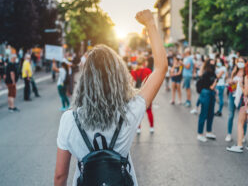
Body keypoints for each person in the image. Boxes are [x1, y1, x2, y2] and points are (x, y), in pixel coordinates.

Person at [54, 10, 168, 186]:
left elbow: (60, 176)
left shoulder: (69, 120)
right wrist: (150, 23)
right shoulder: (130, 111)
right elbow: (160, 68)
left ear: (85, 80)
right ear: (119, 77)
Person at [227, 60, 248, 153]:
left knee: (240, 123)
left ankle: (239, 145)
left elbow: (246, 93)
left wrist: (241, 85)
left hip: (247, 103)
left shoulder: (247, 77)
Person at [225, 57, 247, 142]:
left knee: (242, 117)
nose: (240, 63)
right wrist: (230, 82)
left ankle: (243, 135)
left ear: (245, 63)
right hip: (232, 94)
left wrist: (239, 83)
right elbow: (229, 81)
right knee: (231, 115)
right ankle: (229, 134)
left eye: (242, 62)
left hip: (241, 96)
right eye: (238, 62)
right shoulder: (234, 72)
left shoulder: (246, 73)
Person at [131, 57, 154, 133]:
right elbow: (151, 83)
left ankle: (138, 128)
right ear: (144, 63)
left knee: (137, 112)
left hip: (137, 94)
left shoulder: (133, 72)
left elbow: (131, 84)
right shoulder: (148, 71)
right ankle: (151, 127)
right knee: (149, 110)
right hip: (147, 93)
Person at [197, 59, 217, 142]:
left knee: (211, 114)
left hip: (211, 94)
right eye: (212, 62)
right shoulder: (205, 73)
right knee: (203, 114)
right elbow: (210, 85)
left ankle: (209, 131)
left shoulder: (213, 72)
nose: (214, 63)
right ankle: (200, 134)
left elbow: (214, 83)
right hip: (206, 93)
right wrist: (214, 84)